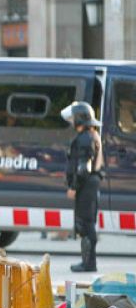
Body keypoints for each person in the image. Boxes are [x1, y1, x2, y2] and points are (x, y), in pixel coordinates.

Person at [61, 101, 103, 272]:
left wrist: (74, 186)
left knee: (86, 223)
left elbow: (83, 166)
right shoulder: (91, 135)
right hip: (89, 184)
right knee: (87, 223)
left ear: (81, 118)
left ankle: (88, 263)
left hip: (85, 185)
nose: (72, 121)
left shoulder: (85, 138)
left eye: (74, 118)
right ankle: (88, 262)